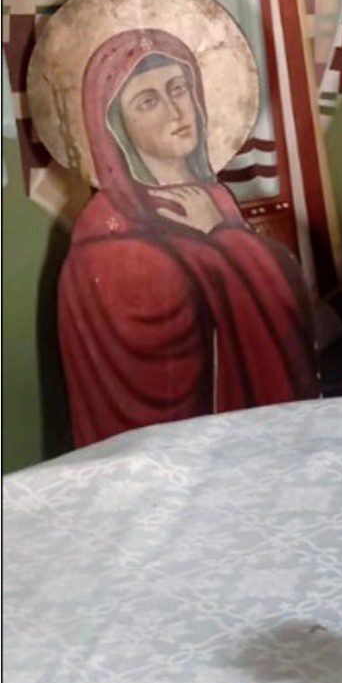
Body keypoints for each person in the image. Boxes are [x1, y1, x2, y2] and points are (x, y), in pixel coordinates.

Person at [57, 26, 320, 447]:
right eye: (148, 101)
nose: (176, 111)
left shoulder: (215, 198)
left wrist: (221, 234)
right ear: (116, 128)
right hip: (172, 452)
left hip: (249, 442)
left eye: (178, 88)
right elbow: (153, 329)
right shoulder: (106, 234)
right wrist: (225, 243)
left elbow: (284, 295)